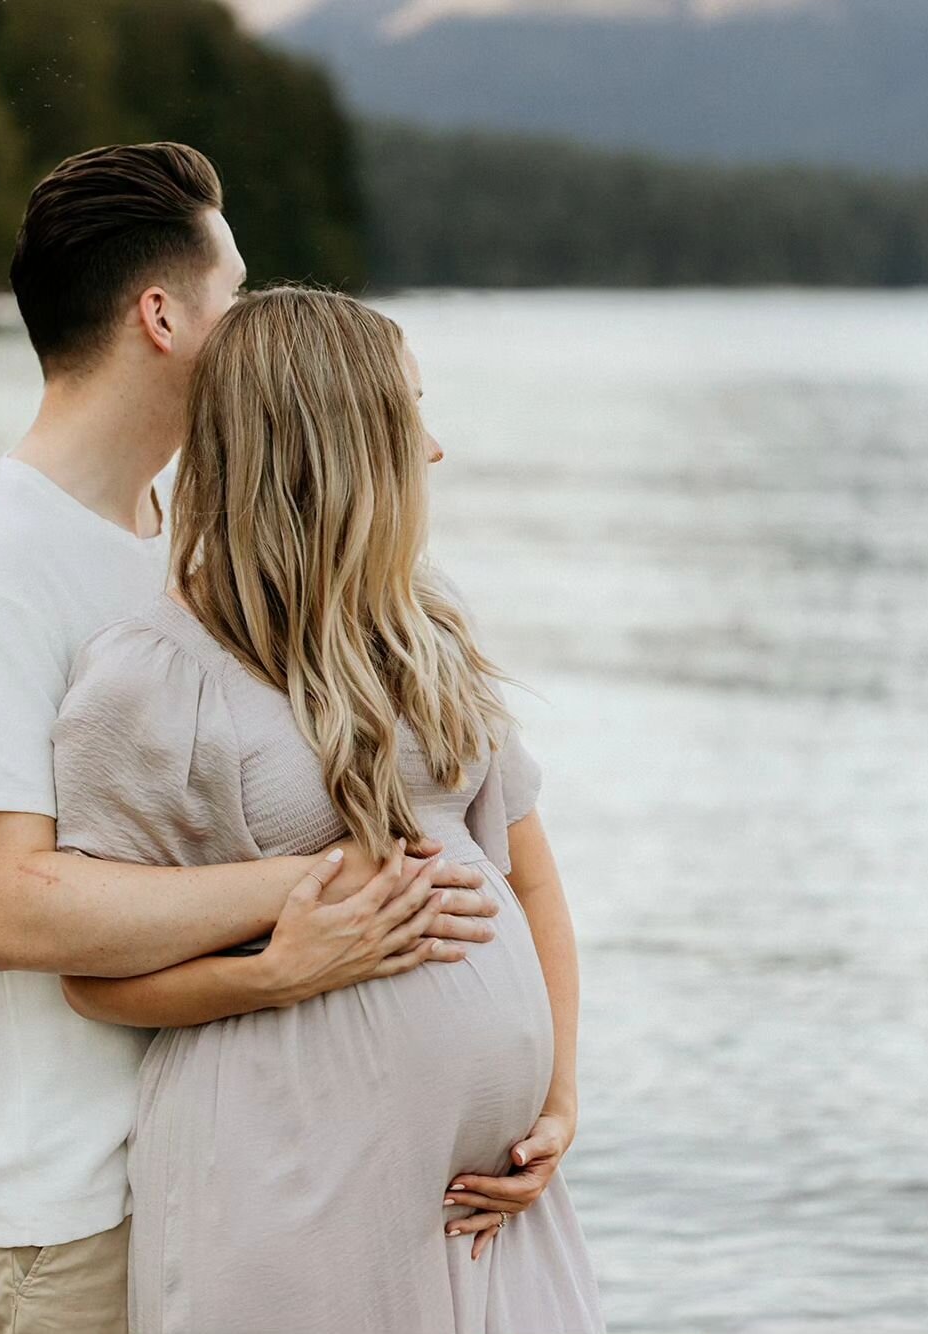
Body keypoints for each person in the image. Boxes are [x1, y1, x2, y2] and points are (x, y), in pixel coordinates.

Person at [0, 144, 498, 1334]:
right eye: (234, 292)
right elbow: (14, 906)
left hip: (216, 1172)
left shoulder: (173, 534)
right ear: (161, 315)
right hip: (64, 1218)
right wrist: (318, 889)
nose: (251, 320)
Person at [53, 284, 607, 1333]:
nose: (433, 449)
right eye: (410, 413)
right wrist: (270, 972)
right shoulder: (153, 679)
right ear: (335, 440)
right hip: (288, 1180)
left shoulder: (421, 628)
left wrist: (557, 1100)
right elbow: (89, 973)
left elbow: (528, 872)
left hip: (487, 1205)